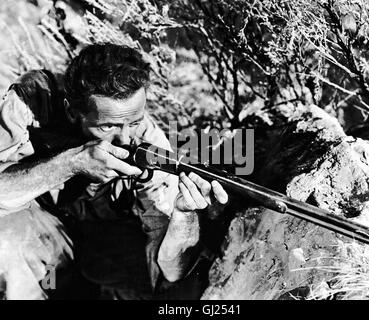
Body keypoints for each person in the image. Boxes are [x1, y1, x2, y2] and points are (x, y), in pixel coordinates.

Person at [0, 43, 228, 300]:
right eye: (108, 126)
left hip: (110, 249)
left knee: (182, 292)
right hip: (46, 239)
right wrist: (71, 162)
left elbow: (172, 270)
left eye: (135, 122)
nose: (125, 138)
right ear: (71, 111)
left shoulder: (151, 145)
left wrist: (184, 215)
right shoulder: (34, 100)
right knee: (8, 243)